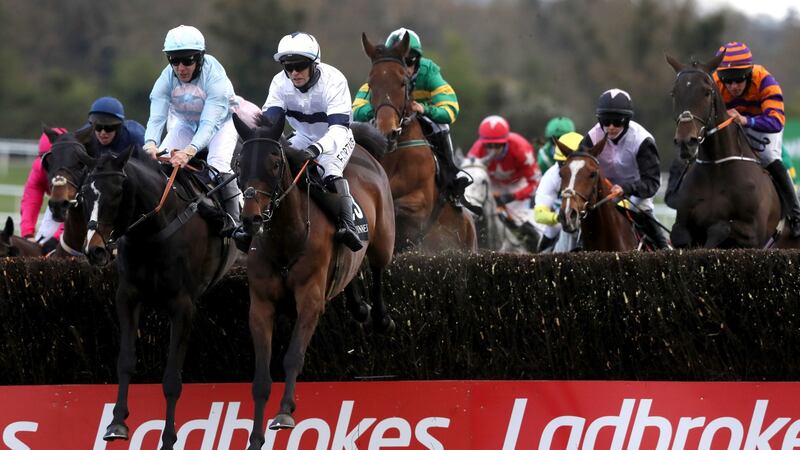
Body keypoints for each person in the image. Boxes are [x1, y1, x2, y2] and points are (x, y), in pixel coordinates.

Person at [141, 25, 243, 246]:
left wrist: (189, 151)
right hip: (187, 124)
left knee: (218, 164)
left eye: (187, 60)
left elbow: (209, 123)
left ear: (199, 58)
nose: (180, 68)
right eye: (174, 61)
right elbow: (157, 118)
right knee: (158, 163)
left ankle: (236, 223)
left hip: (222, 124)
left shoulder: (215, 76)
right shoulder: (166, 78)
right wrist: (150, 144)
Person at [260, 31, 362, 252]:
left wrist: (317, 149)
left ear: (314, 64)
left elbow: (338, 129)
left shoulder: (334, 81)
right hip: (303, 135)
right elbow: (270, 122)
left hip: (336, 136)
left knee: (329, 169)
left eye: (300, 66)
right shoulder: (279, 83)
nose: (294, 73)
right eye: (288, 67)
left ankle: (348, 224)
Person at [352, 27, 469, 203]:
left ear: (418, 60)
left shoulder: (428, 71)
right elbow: (356, 111)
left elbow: (450, 109)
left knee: (441, 125)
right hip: (390, 116)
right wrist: (375, 111)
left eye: (409, 61)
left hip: (419, 116)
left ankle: (451, 175)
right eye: (401, 61)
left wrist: (425, 109)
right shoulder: (385, 72)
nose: (405, 68)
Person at [713, 41, 800, 237]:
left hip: (762, 125)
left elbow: (775, 121)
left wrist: (745, 120)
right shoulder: (715, 82)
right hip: (731, 124)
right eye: (729, 81)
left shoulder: (765, 81)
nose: (733, 87)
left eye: (739, 81)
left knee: (769, 156)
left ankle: (795, 214)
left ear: (749, 74)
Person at [581, 88, 671, 249]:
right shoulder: (591, 138)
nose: (610, 127)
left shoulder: (643, 140)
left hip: (636, 193)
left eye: (617, 122)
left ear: (627, 120)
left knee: (645, 214)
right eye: (606, 122)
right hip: (603, 193)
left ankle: (664, 253)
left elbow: (652, 183)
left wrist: (626, 189)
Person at [466, 115, 541, 250]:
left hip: (517, 186)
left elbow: (535, 183)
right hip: (492, 185)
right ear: (482, 142)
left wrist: (512, 197)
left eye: (497, 145)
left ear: (505, 141)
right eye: (488, 145)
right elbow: (470, 179)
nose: (492, 150)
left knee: (529, 229)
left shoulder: (522, 149)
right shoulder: (476, 150)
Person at [19, 128, 68, 254]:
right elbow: (30, 201)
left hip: (81, 207)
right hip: (58, 203)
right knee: (39, 249)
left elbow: (74, 211)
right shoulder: (39, 168)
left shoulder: (73, 169)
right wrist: (27, 234)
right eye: (47, 161)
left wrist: (57, 238)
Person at [534, 131, 583, 253]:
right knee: (552, 229)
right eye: (563, 163)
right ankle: (540, 258)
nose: (568, 168)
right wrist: (558, 218)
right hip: (563, 212)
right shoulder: (551, 176)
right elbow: (539, 214)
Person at [77, 96, 145, 156]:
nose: (103, 132)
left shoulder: (136, 138)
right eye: (98, 127)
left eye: (109, 127)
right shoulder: (82, 138)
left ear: (118, 127)